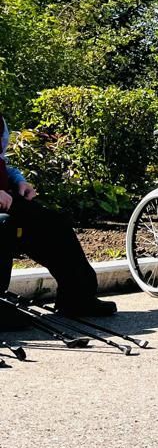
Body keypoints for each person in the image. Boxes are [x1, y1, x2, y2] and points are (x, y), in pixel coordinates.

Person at [0, 113, 116, 316]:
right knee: (4, 225)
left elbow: (1, 162)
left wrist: (19, 181)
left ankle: (77, 298)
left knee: (55, 224)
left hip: (6, 198)